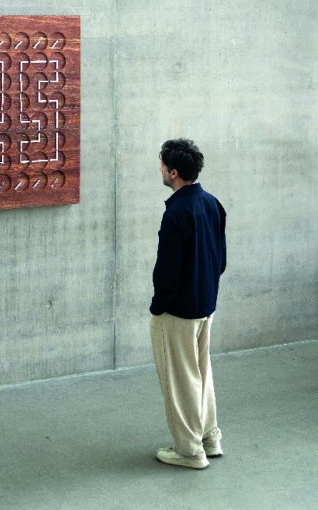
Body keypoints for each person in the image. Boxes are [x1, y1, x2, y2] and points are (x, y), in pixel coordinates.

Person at [149, 138, 227, 469]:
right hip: (205, 305)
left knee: (181, 382)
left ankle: (189, 451)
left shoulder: (176, 213)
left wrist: (158, 307)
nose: (160, 169)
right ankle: (210, 438)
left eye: (163, 166)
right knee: (202, 375)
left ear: (174, 173)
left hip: (178, 311)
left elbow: (167, 270)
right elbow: (220, 259)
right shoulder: (212, 204)